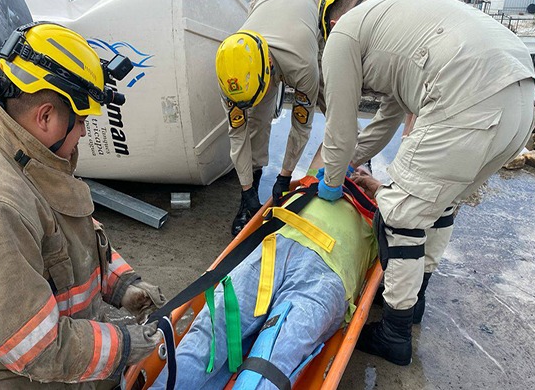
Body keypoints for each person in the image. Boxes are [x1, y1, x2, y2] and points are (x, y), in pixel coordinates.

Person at [0, 22, 166, 388]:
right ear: (46, 116)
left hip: (61, 372)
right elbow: (37, 347)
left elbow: (70, 239)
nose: (83, 132)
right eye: (81, 120)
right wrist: (127, 344)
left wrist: (121, 285)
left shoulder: (31, 158)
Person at [317, 0, 535, 366]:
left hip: (468, 94)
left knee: (397, 215)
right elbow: (384, 122)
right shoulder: (395, 21)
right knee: (439, 203)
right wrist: (352, 164)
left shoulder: (343, 36)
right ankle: (413, 303)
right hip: (520, 102)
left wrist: (329, 184)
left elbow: (340, 127)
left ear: (330, 24)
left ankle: (395, 334)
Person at [149, 167, 379, 390]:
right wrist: (343, 164)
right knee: (212, 331)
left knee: (272, 362)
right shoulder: (315, 182)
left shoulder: (382, 210)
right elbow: (332, 147)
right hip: (271, 251)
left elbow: (407, 223)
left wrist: (379, 191)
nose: (358, 174)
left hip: (326, 276)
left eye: (365, 171)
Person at [215, 0, 324, 236]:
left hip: (314, 5)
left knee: (330, 99)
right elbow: (238, 135)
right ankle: (251, 186)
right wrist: (246, 190)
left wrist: (285, 176)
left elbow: (301, 126)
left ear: (270, 71)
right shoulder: (230, 72)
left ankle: (354, 151)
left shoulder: (303, 66)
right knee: (255, 119)